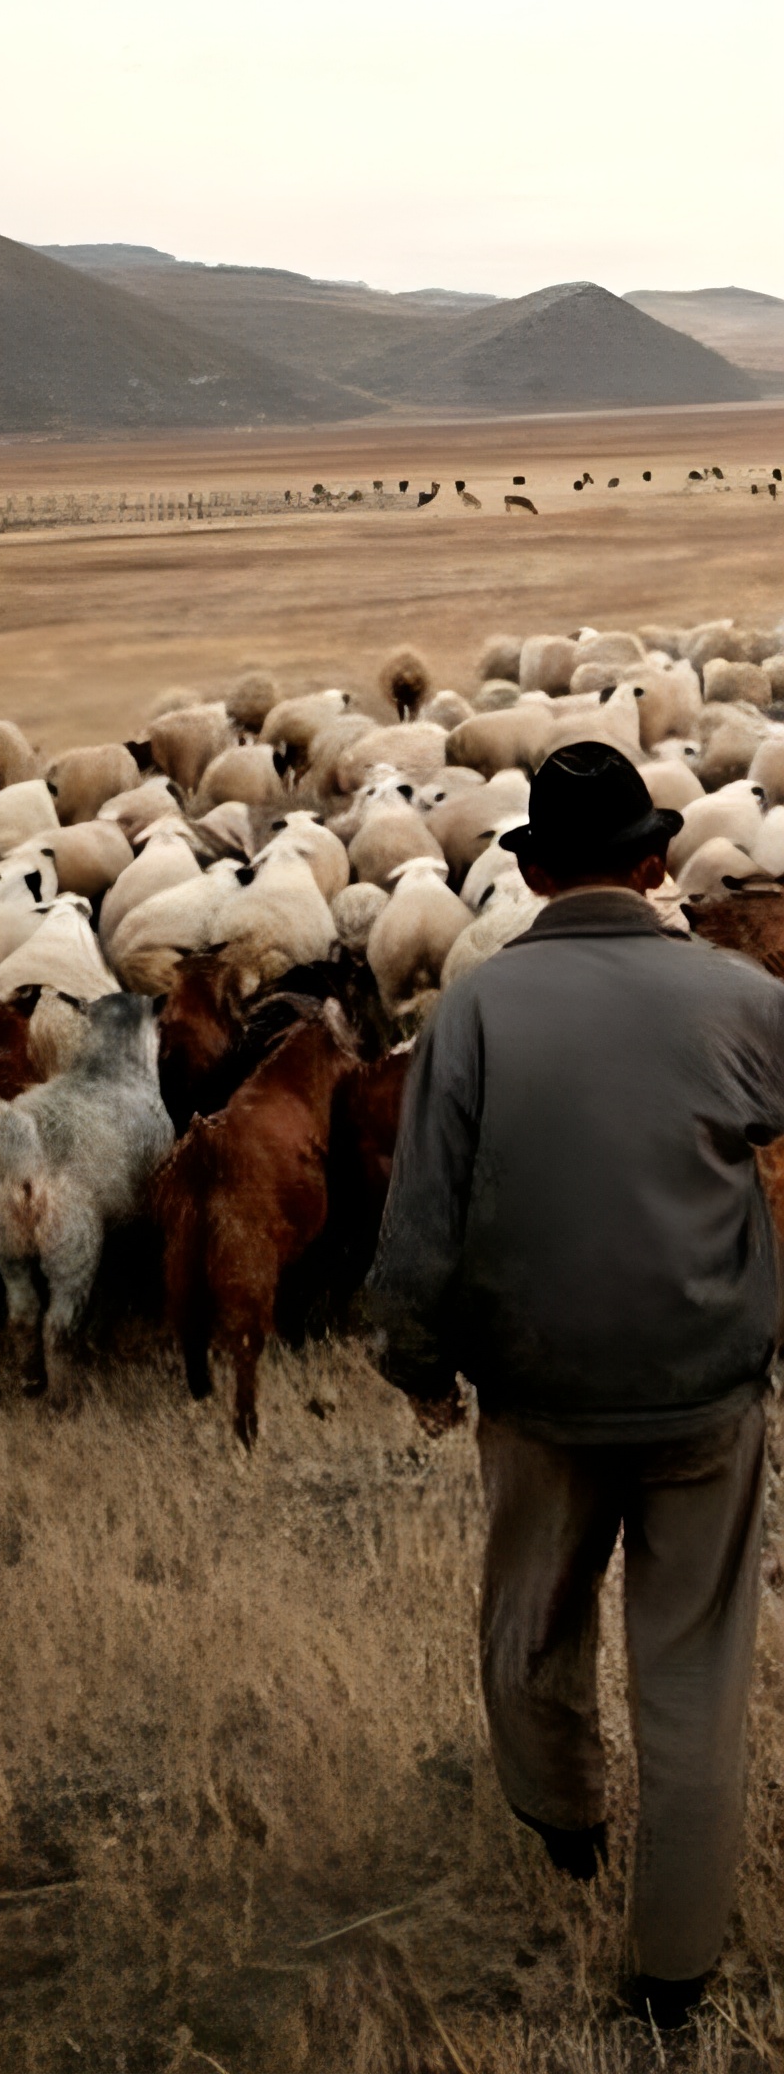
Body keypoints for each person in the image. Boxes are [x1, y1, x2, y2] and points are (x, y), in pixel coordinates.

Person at [367, 740, 784, 2028]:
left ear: (535, 869)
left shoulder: (475, 1011)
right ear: (658, 863)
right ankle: (674, 1970)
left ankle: (566, 1825)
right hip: (705, 1389)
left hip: (540, 1395)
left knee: (532, 1621)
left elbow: (420, 1221)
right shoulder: (740, 999)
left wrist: (417, 1361)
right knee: (694, 1666)